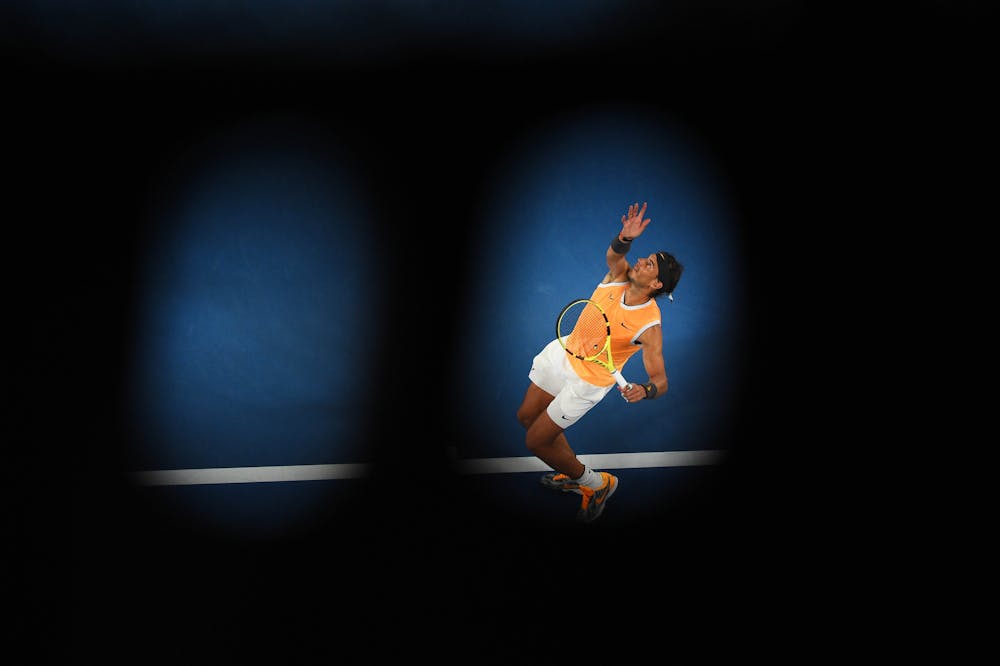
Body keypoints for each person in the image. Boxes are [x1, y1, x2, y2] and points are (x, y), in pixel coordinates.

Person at [515, 202, 683, 522]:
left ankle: (596, 484)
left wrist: (645, 390)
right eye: (645, 258)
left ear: (657, 284)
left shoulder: (649, 327)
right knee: (526, 416)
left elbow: (660, 381)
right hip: (565, 352)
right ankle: (571, 471)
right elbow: (615, 255)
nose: (641, 262)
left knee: (536, 440)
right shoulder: (619, 274)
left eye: (649, 265)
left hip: (587, 383)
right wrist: (625, 236)